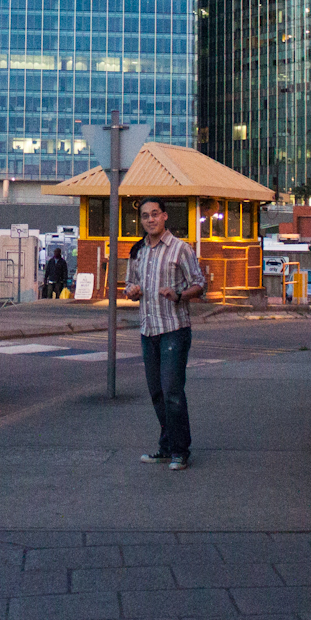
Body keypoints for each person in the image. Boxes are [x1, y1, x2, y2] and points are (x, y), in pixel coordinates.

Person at [124, 196, 206, 471]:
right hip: (148, 330)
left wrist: (179, 294)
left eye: (155, 214)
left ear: (165, 216)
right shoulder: (138, 251)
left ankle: (180, 451)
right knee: (157, 393)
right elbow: (130, 285)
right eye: (146, 216)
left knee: (172, 391)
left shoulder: (181, 249)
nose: (150, 219)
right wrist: (132, 292)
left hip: (174, 330)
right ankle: (166, 447)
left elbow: (199, 284)